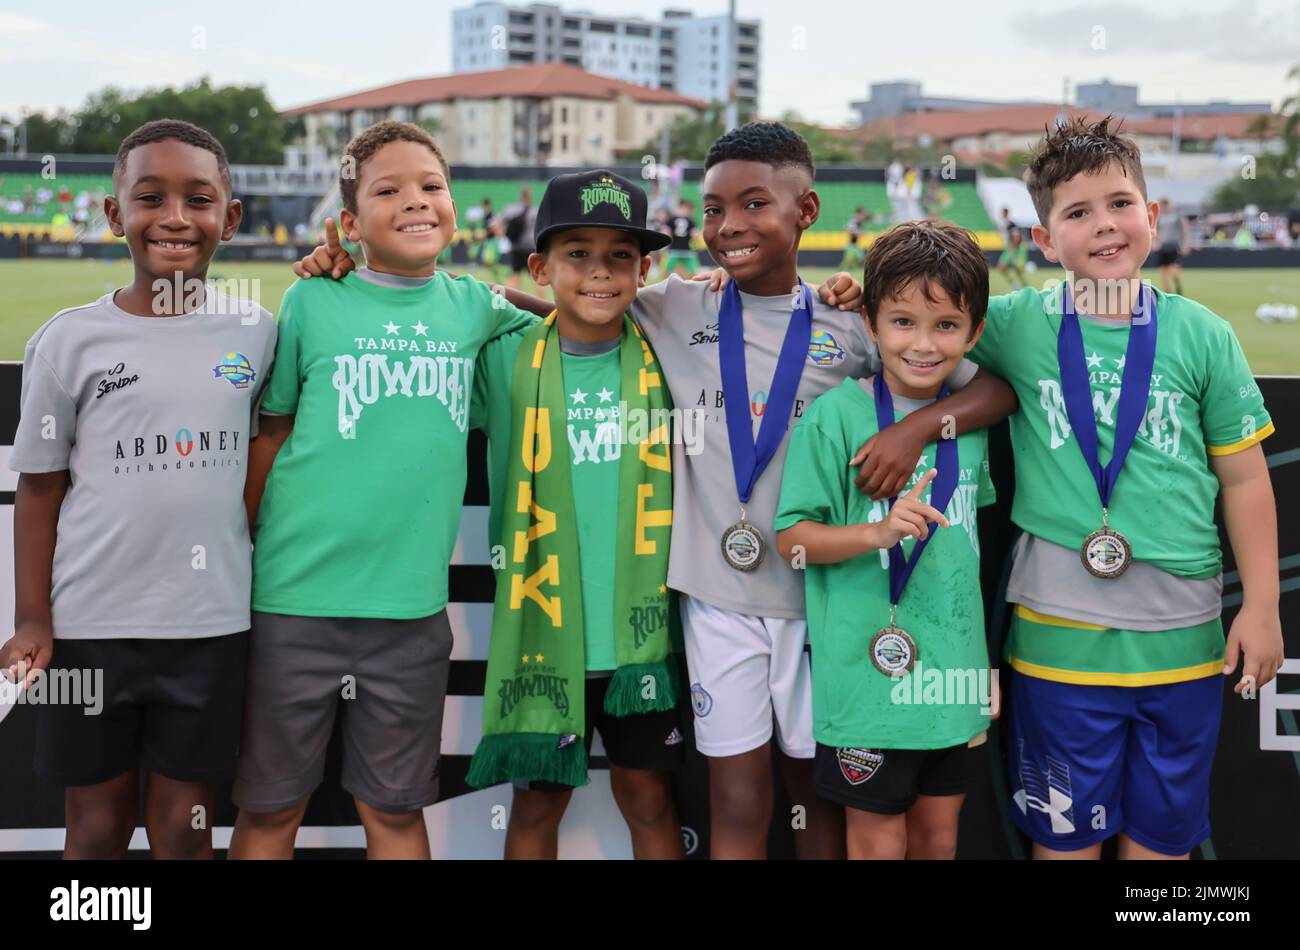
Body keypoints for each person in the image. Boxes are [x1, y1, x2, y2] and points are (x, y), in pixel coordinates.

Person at [626, 122, 1017, 858]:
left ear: (806, 212)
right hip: (718, 600)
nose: (729, 226)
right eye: (712, 209)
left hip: (826, 609)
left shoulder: (854, 321)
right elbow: (574, 301)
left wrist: (916, 429)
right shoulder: (678, 305)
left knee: (824, 801)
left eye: (752, 205)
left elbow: (993, 390)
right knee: (737, 802)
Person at [228, 121, 549, 860]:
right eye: (389, 190)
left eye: (432, 186)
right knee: (272, 809)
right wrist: (237, 548)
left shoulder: (471, 307)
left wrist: (492, 286)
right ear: (348, 222)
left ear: (455, 205)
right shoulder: (311, 303)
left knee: (396, 811)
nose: (417, 201)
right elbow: (271, 434)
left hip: (409, 612)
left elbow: (568, 311)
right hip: (292, 601)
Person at [970, 115, 1283, 860]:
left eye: (1119, 204)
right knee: (1065, 848)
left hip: (1186, 647)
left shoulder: (1203, 334)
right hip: (1056, 653)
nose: (1104, 226)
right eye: (1077, 213)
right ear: (1044, 240)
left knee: (1161, 852)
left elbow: (1244, 479)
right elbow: (909, 327)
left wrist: (1264, 606)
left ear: (1153, 214)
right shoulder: (1014, 323)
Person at [2, 119, 276, 859]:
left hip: (210, 626)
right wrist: (32, 619)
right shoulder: (68, 341)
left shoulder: (260, 333)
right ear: (115, 214)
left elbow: (268, 451)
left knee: (184, 827)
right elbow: (39, 488)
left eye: (200, 199)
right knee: (95, 825)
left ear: (232, 217)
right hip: (92, 626)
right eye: (151, 198)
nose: (177, 218)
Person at [467, 169, 685, 859]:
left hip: (640, 644)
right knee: (536, 807)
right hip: (542, 639)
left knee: (650, 799)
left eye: (621, 256)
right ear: (540, 266)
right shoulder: (500, 357)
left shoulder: (667, 350)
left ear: (644, 269)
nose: (601, 272)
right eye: (577, 254)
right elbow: (422, 315)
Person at [776, 221, 1002, 859]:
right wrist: (875, 533)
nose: (924, 344)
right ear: (870, 324)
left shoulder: (970, 424)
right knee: (875, 845)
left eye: (946, 326)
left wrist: (979, 662)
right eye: (902, 322)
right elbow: (791, 539)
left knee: (938, 839)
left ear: (974, 332)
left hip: (952, 683)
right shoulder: (836, 418)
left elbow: (968, 558)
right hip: (866, 683)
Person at [503, 186, 538, 290]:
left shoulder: (511, 209)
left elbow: (499, 223)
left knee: (515, 277)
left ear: (520, 197)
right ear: (530, 197)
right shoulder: (535, 211)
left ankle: (510, 302)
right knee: (537, 278)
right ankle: (543, 304)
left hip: (516, 247)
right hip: (530, 248)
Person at [1154, 197, 1188, 295]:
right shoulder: (1160, 217)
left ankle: (1178, 288)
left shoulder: (1177, 216)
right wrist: (1155, 242)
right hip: (1162, 246)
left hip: (1173, 245)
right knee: (1162, 269)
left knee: (1174, 268)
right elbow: (1156, 229)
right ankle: (1167, 291)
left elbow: (1184, 230)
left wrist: (1184, 243)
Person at [663, 197, 700, 277]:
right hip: (687, 249)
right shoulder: (690, 220)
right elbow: (695, 235)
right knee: (693, 271)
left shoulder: (671, 219)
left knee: (668, 269)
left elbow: (666, 232)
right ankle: (693, 284)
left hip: (674, 249)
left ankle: (665, 285)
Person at [996, 226, 1029, 291]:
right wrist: (1004, 262)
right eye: (1015, 236)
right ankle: (1014, 283)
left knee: (1019, 269)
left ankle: (1025, 286)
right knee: (1001, 267)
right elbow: (1003, 259)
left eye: (1017, 236)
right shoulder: (1009, 248)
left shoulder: (1022, 248)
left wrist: (1019, 266)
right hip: (1011, 264)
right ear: (1011, 237)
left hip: (1018, 265)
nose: (1016, 238)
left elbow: (1022, 260)